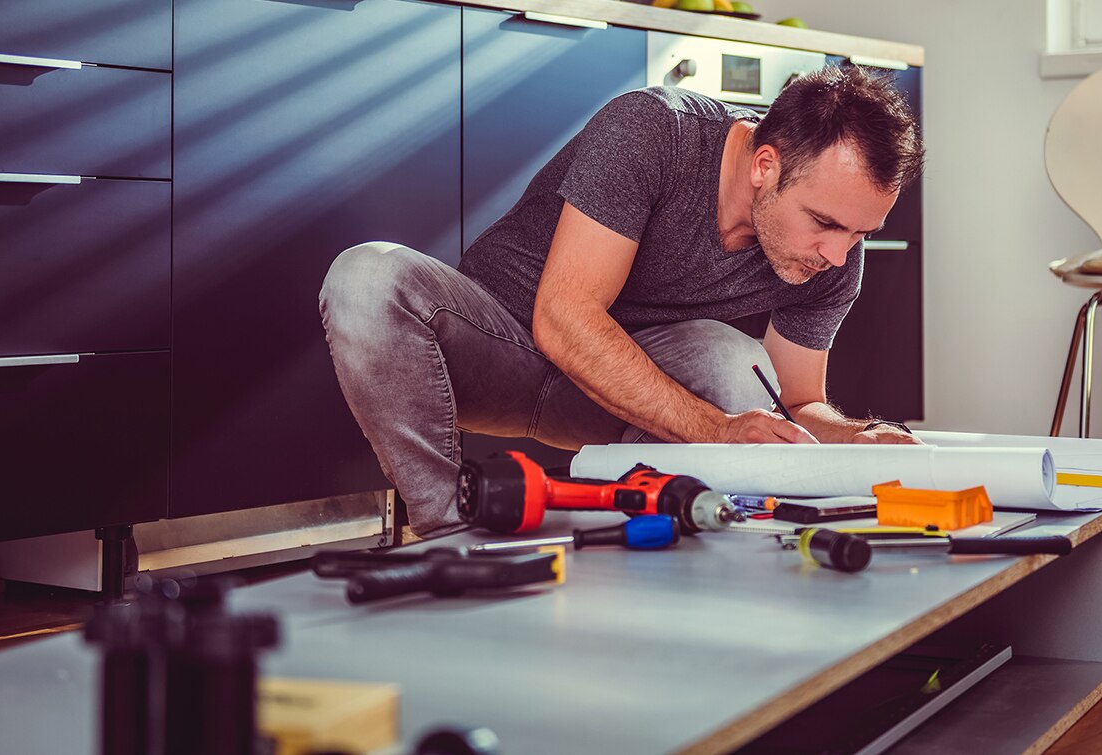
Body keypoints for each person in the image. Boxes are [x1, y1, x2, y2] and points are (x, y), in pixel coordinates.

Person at [320, 64, 924, 536]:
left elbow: (796, 401)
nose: (839, 255)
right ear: (766, 165)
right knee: (367, 277)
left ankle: (658, 535)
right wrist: (716, 431)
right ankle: (444, 527)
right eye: (824, 222)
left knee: (732, 362)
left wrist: (856, 436)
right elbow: (563, 320)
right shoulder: (653, 131)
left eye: (858, 233)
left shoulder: (833, 252)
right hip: (499, 350)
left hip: (621, 404)